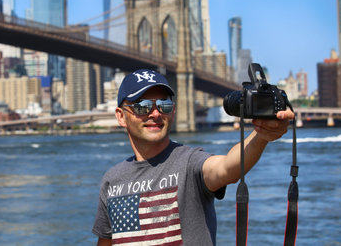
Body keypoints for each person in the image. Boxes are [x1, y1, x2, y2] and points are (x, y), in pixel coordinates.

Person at [92, 69, 294, 245]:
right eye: (143, 106)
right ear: (120, 116)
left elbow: (227, 168)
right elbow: (108, 241)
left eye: (164, 104)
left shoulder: (189, 162)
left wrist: (261, 135)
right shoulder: (112, 181)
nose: (155, 113)